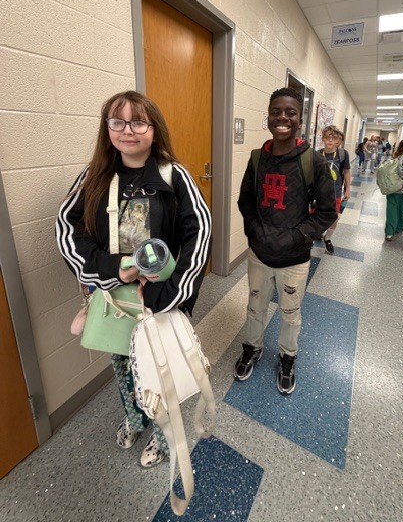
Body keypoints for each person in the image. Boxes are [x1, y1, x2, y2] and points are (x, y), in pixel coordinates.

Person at [56, 90, 211, 467]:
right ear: (107, 128)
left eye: (138, 121)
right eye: (117, 121)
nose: (128, 130)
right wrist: (109, 269)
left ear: (153, 129)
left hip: (158, 299)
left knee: (159, 371)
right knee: (122, 366)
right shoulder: (93, 176)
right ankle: (136, 415)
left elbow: (200, 231)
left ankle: (162, 434)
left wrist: (172, 294)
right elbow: (67, 228)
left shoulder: (174, 175)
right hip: (113, 298)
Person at [234, 87, 337, 395]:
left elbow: (327, 212)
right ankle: (252, 347)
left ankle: (287, 357)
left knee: (290, 312)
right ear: (268, 117)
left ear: (300, 119)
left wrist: (295, 237)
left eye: (290, 112)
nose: (282, 118)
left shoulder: (314, 162)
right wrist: (255, 230)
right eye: (276, 111)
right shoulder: (257, 159)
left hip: (294, 258)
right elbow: (245, 202)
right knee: (255, 305)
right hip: (259, 255)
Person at [318, 126, 351, 254]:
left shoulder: (343, 154)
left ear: (338, 140)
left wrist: (348, 189)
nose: (331, 141)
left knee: (334, 218)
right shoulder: (317, 154)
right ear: (323, 139)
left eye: (334, 138)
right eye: (328, 138)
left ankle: (328, 238)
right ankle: (317, 233)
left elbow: (347, 172)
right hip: (319, 194)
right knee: (317, 216)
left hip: (336, 192)